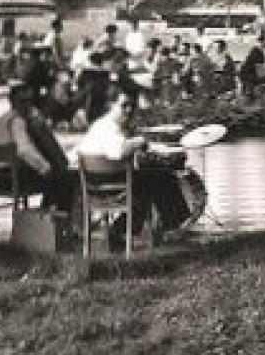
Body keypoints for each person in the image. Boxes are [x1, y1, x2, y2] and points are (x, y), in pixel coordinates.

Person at [75, 92, 194, 246]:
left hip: (94, 182)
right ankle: (172, 227)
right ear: (110, 105)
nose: (129, 110)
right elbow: (118, 152)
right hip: (111, 183)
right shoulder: (108, 127)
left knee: (149, 180)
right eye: (123, 106)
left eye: (132, 106)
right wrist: (139, 141)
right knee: (160, 176)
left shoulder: (99, 126)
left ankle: (123, 229)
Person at [0, 84, 76, 215]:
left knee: (59, 177)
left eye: (30, 101)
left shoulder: (4, 118)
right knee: (67, 179)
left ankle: (48, 213)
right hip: (13, 179)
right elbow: (24, 151)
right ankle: (57, 219)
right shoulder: (17, 121)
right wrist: (46, 168)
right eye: (23, 101)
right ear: (13, 102)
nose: (27, 105)